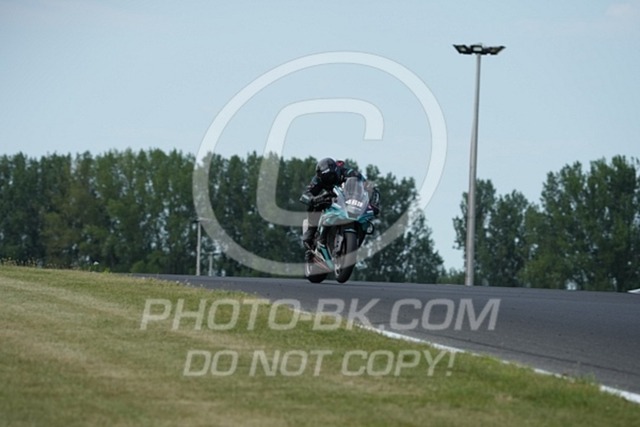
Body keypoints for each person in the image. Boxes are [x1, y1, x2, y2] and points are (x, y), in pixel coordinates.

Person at [299, 157, 380, 257]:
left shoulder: (350, 173)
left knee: (365, 220)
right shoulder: (317, 179)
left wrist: (373, 203)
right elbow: (306, 194)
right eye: (326, 178)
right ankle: (311, 232)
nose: (330, 180)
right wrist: (313, 199)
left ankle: (356, 238)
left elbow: (369, 188)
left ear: (337, 170)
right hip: (330, 200)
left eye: (331, 176)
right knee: (314, 205)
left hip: (349, 202)